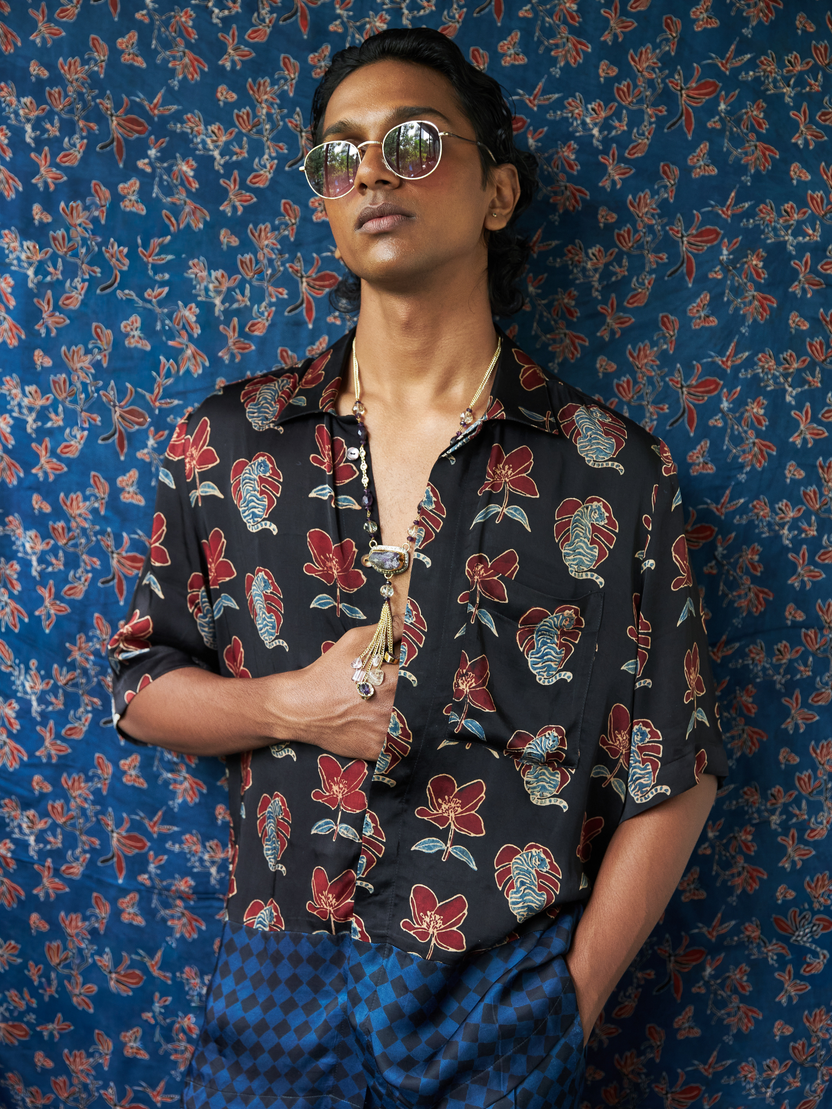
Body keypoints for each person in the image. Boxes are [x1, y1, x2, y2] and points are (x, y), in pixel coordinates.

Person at [108, 27, 728, 1109]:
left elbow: (673, 765)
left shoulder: (609, 468)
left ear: (498, 193)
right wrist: (292, 704)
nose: (372, 173)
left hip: (496, 998)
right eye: (339, 154)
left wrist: (566, 1009)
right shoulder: (229, 442)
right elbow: (139, 684)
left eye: (412, 141)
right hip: (271, 985)